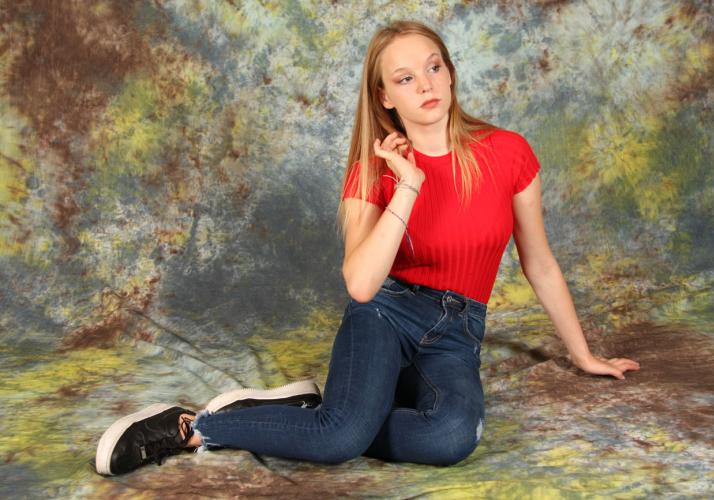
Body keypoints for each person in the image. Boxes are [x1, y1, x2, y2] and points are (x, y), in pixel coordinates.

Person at [95, 20, 640, 476]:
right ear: (384, 96)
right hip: (385, 313)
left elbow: (539, 263)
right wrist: (408, 184)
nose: (426, 84)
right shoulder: (373, 171)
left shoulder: (508, 153)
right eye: (405, 78)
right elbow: (361, 285)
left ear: (450, 71)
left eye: (433, 67)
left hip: (457, 331)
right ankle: (195, 427)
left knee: (453, 436)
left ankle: (318, 414)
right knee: (340, 439)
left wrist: (583, 355)